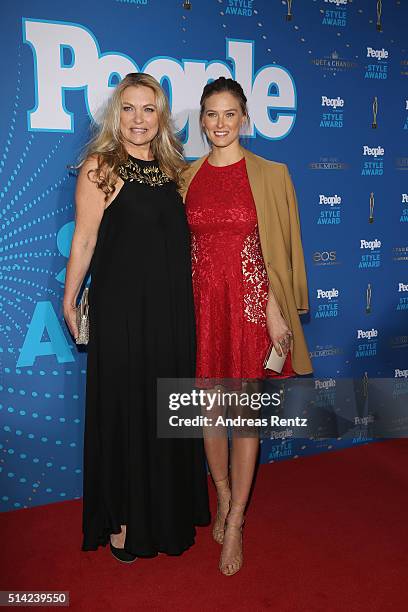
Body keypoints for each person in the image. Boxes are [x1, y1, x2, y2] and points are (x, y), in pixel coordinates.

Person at [63, 72, 210, 563]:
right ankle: (123, 519)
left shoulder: (174, 171)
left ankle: (166, 514)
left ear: (161, 116)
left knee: (166, 410)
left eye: (148, 109)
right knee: (126, 411)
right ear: (116, 114)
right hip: (123, 313)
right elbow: (84, 240)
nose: (138, 119)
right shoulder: (100, 167)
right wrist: (69, 297)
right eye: (129, 108)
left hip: (170, 315)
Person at [182, 76, 312, 576]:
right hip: (202, 309)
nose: (220, 124)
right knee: (210, 414)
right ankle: (223, 494)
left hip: (252, 309)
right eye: (211, 115)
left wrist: (281, 309)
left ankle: (235, 521)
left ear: (245, 119)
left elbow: (284, 248)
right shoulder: (186, 178)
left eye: (229, 114)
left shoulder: (272, 174)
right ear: (202, 121)